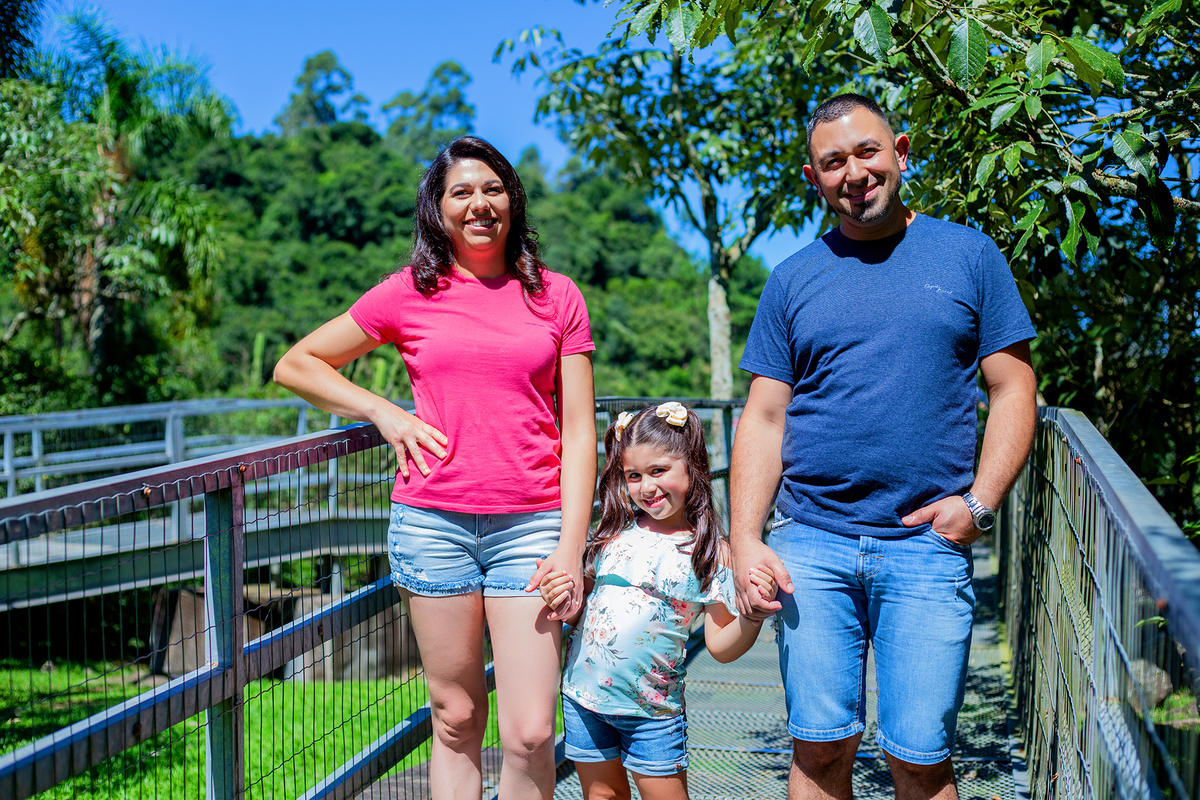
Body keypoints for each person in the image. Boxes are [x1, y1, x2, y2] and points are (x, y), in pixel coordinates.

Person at [730, 93, 1038, 800]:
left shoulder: (969, 255)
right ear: (814, 178)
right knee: (821, 749)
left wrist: (980, 505)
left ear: (901, 151)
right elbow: (765, 416)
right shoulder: (793, 279)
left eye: (867, 151)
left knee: (920, 757)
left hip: (926, 546)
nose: (854, 172)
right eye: (832, 162)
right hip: (810, 541)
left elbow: (1015, 390)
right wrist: (747, 539)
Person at [273, 135, 596, 800]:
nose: (480, 204)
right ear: (438, 210)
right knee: (455, 717)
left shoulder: (557, 297)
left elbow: (581, 429)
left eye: (492, 189)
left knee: (532, 730)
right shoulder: (408, 293)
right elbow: (296, 364)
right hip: (433, 524)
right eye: (462, 193)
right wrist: (384, 414)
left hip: (532, 527)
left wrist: (572, 547)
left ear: (512, 199)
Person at [539, 402, 777, 800]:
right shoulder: (611, 533)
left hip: (652, 712)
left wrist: (750, 618)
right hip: (584, 699)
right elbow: (584, 609)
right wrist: (565, 601)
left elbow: (719, 645)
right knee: (602, 796)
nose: (646, 487)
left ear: (692, 468)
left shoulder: (709, 552)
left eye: (658, 471)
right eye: (634, 475)